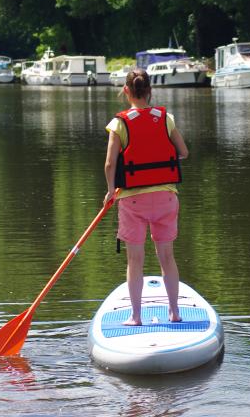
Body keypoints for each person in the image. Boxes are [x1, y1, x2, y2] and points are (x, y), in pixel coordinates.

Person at [104, 68, 189, 326]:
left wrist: (110, 192)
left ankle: (136, 316)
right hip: (165, 197)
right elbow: (183, 152)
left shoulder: (119, 123)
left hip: (132, 201)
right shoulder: (166, 119)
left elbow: (110, 164)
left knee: (135, 259)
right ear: (150, 91)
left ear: (126, 91)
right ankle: (174, 313)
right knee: (167, 256)